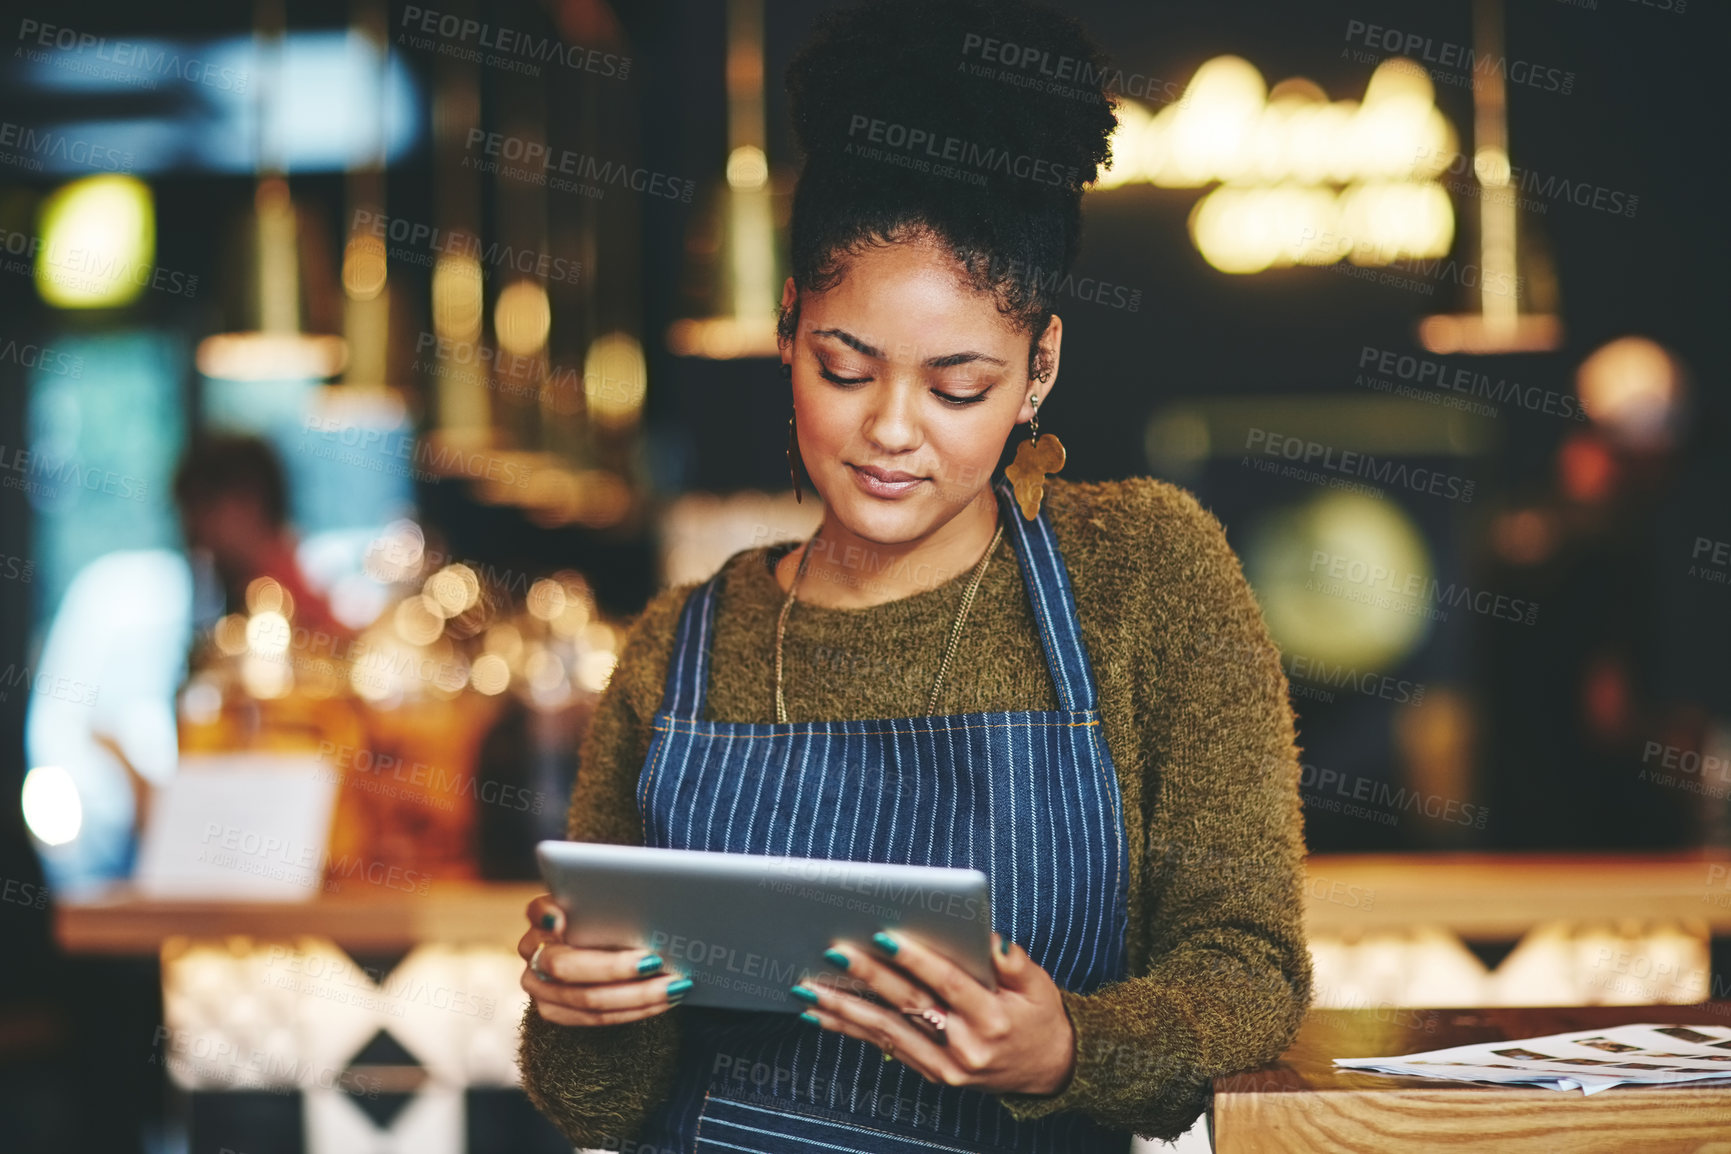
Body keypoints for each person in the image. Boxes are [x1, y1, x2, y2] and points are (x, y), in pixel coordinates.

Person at [516, 1, 1311, 1148]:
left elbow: (1250, 968)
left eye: (958, 386)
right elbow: (594, 1101)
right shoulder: (685, 642)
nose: (893, 429)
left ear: (1039, 365)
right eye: (846, 368)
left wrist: (1068, 1046)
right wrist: (578, 1002)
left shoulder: (1143, 574)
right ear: (790, 327)